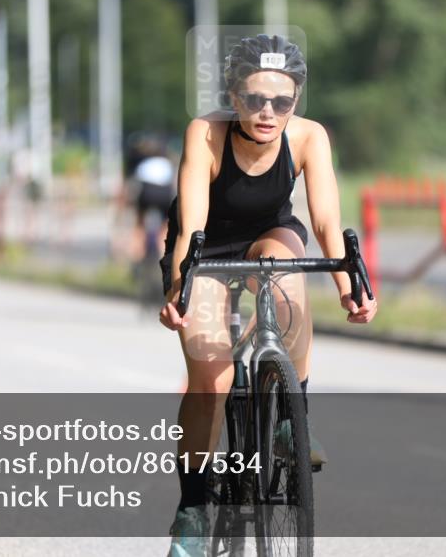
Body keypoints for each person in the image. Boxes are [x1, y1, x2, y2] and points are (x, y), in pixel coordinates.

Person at [157, 34, 377, 553]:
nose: (267, 112)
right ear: (233, 96)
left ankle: (288, 419)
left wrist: (350, 285)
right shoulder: (205, 134)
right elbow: (192, 223)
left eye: (281, 101)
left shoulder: (308, 137)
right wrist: (178, 286)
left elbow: (325, 218)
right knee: (213, 376)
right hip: (206, 245)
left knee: (286, 280)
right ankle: (191, 510)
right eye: (255, 99)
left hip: (268, 233)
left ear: (295, 100)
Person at [119, 134, 176, 261]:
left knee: (139, 223)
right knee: (165, 225)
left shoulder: (141, 161)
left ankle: (137, 255)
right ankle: (163, 254)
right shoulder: (166, 161)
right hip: (164, 193)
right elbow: (173, 183)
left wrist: (128, 203)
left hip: (147, 192)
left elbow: (132, 185)